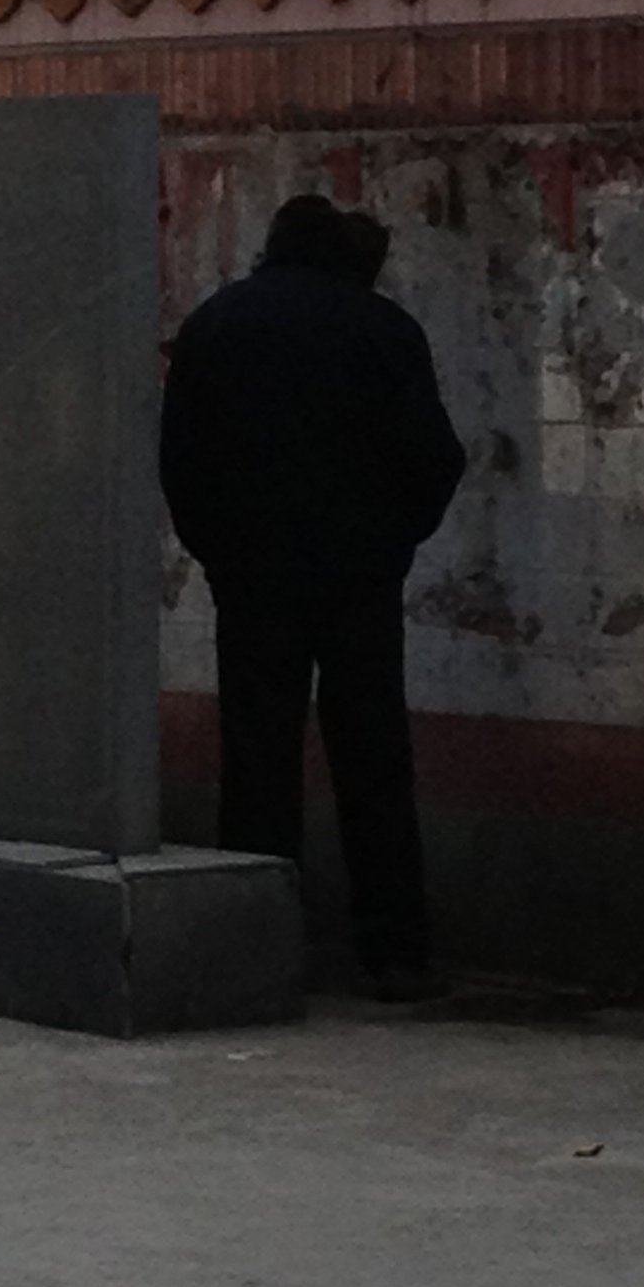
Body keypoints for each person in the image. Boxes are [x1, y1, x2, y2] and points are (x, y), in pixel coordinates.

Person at [159, 194, 467, 999]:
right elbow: (437, 457)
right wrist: (392, 543)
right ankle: (394, 950)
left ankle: (254, 947)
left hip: (254, 574)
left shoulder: (215, 326)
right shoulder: (384, 330)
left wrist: (220, 550)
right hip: (358, 577)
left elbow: (180, 461)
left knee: (257, 758)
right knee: (372, 754)